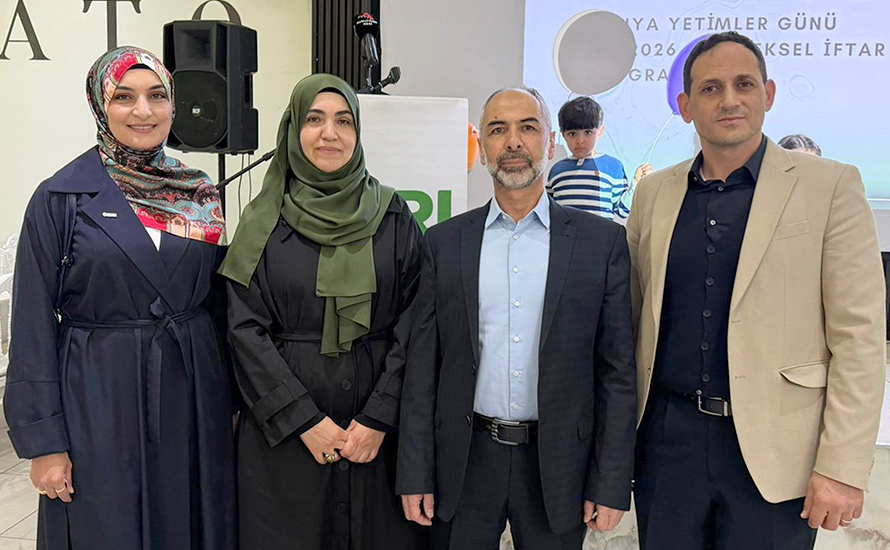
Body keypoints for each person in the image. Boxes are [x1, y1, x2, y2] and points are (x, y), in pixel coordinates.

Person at [627, 32, 886, 550]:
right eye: (710, 88)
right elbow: (632, 319)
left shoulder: (830, 186)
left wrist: (842, 466)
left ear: (767, 95)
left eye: (744, 84)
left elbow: (859, 337)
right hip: (666, 446)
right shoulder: (654, 193)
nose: (729, 100)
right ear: (685, 106)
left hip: (777, 452)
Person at [3, 46, 235, 549]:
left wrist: (234, 407)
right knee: (107, 526)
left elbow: (219, 304)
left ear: (173, 104)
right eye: (124, 97)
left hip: (192, 394)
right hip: (97, 398)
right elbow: (32, 323)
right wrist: (45, 443)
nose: (143, 111)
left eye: (157, 96)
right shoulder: (60, 197)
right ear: (99, 104)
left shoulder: (199, 193)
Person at [397, 86, 637, 550]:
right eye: (497, 130)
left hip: (559, 466)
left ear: (551, 143)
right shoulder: (444, 243)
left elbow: (617, 371)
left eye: (528, 127)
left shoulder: (601, 244)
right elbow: (423, 368)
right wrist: (414, 471)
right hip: (463, 463)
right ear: (482, 145)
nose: (513, 142)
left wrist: (611, 480)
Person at [219, 73, 428, 550]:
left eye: (343, 121)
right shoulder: (261, 221)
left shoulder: (394, 216)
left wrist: (378, 418)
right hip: (283, 440)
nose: (329, 133)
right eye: (314, 119)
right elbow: (243, 330)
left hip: (378, 441)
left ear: (358, 133)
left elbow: (417, 323)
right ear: (294, 129)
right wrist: (304, 421)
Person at [546, 96, 653, 220]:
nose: (580, 140)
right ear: (563, 135)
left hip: (602, 232)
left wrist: (636, 183)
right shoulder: (557, 170)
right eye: (572, 134)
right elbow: (548, 211)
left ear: (600, 131)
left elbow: (622, 211)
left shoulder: (613, 167)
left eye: (587, 132)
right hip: (563, 232)